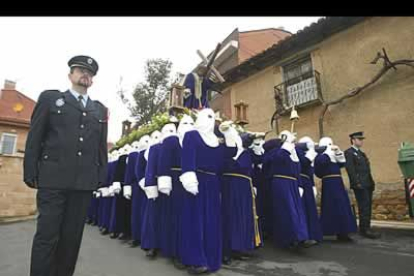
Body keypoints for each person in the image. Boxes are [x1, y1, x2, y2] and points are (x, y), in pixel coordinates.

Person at [23, 55, 108, 276]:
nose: (85, 74)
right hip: (53, 180)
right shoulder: (51, 99)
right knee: (47, 236)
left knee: (71, 240)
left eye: (89, 73)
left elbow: (101, 147)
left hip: (83, 183)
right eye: (80, 70)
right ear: (70, 75)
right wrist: (30, 170)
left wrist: (101, 176)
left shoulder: (99, 110)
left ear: (93, 80)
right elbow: (35, 137)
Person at [179, 109, 237, 274]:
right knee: (194, 220)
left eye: (213, 117)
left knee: (212, 220)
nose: (211, 120)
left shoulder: (216, 141)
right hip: (196, 181)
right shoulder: (192, 135)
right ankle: (195, 260)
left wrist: (228, 132)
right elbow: (187, 157)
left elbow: (230, 153)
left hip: (212, 183)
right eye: (208, 116)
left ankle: (211, 258)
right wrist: (189, 177)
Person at [315, 137, 357, 242]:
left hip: (338, 183)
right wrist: (328, 153)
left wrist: (338, 152)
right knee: (332, 207)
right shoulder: (321, 157)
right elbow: (318, 169)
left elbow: (342, 163)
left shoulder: (331, 156)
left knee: (343, 207)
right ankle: (331, 230)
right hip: (329, 184)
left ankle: (343, 232)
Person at [345, 132, 380, 239]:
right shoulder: (349, 153)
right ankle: (365, 230)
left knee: (367, 206)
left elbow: (367, 171)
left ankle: (366, 227)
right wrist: (356, 183)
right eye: (359, 139)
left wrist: (371, 182)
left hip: (367, 183)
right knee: (363, 207)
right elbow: (350, 170)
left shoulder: (361, 153)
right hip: (360, 184)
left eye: (361, 139)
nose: (361, 141)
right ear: (353, 140)